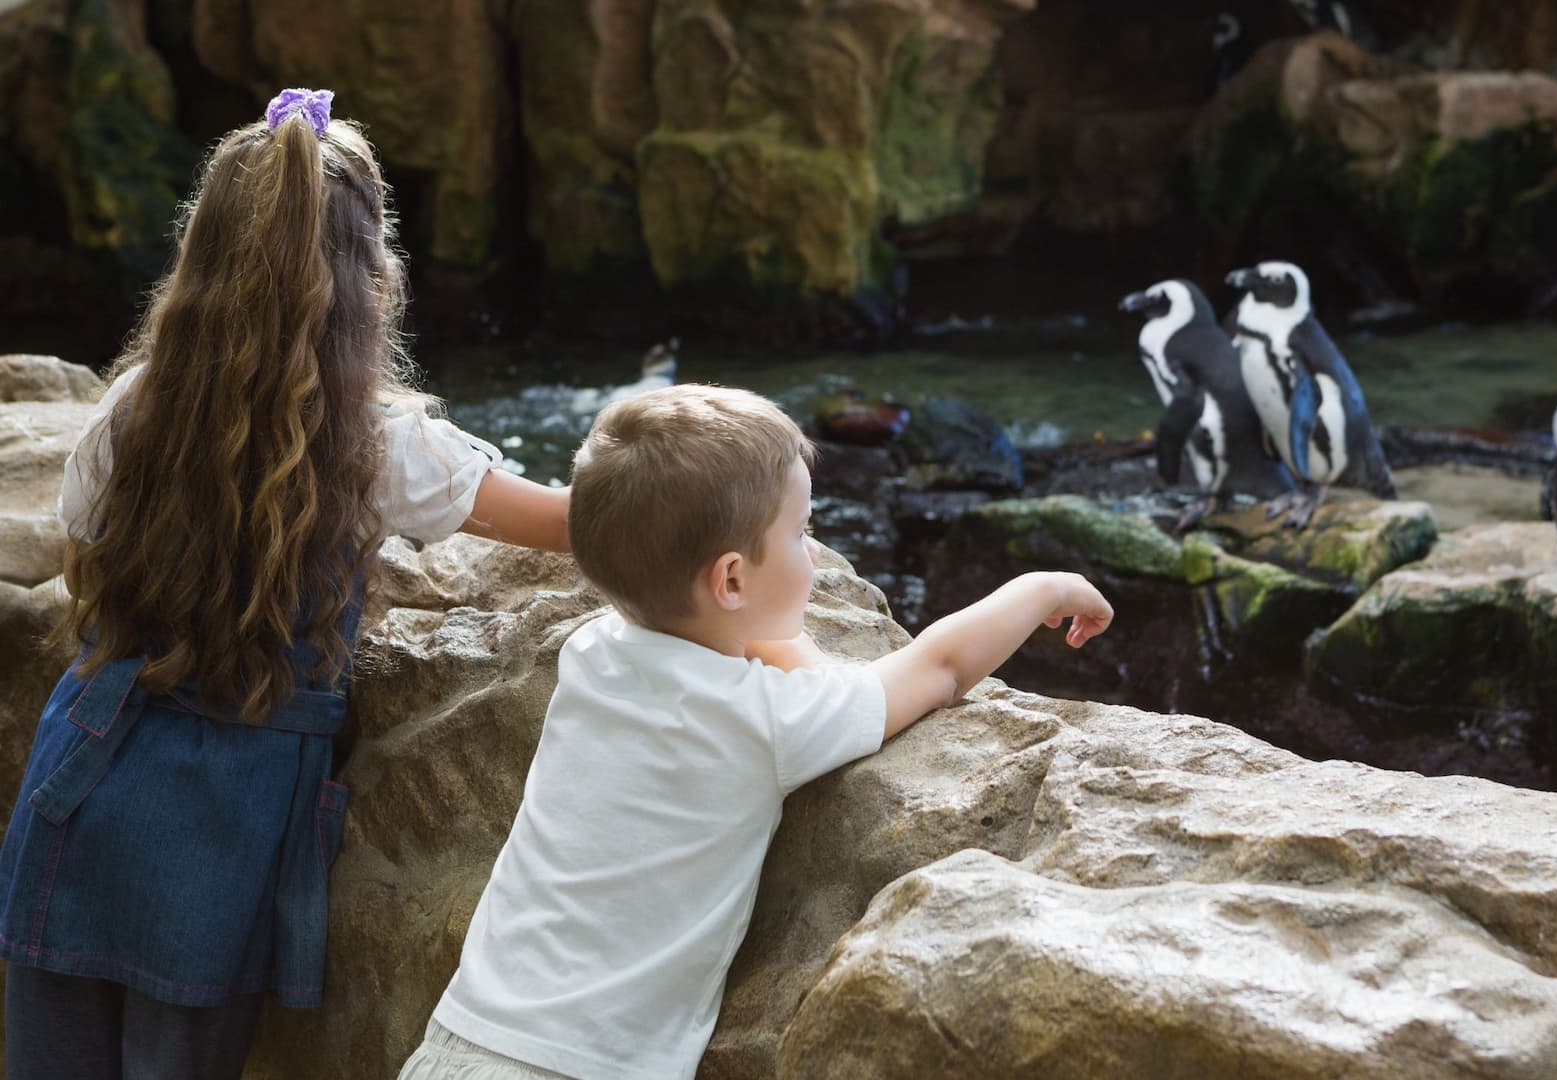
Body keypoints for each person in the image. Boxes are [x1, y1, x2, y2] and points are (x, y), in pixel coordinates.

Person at [0, 88, 571, 1079]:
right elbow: (574, 522)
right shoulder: (383, 442)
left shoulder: (136, 405)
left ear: (201, 255)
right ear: (371, 275)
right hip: (223, 822)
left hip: (82, 776)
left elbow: (82, 529)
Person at [401, 385, 1114, 1080]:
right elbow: (943, 667)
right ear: (732, 581)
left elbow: (750, 646)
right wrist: (1043, 588)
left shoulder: (593, 653)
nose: (812, 553)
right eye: (802, 533)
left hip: (461, 1035)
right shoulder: (769, 720)